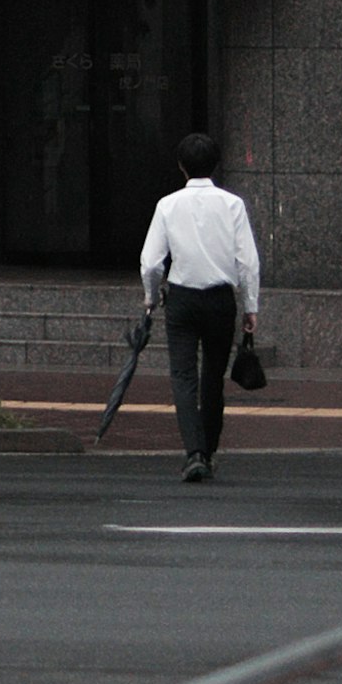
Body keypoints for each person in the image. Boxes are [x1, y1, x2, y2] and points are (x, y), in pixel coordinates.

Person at [139, 127, 263, 484]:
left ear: (181, 166)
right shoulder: (233, 205)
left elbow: (151, 262)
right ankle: (208, 451)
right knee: (213, 378)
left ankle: (192, 452)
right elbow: (248, 262)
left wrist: (150, 297)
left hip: (180, 298)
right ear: (217, 165)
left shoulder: (167, 205)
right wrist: (250, 306)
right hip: (220, 300)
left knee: (182, 376)